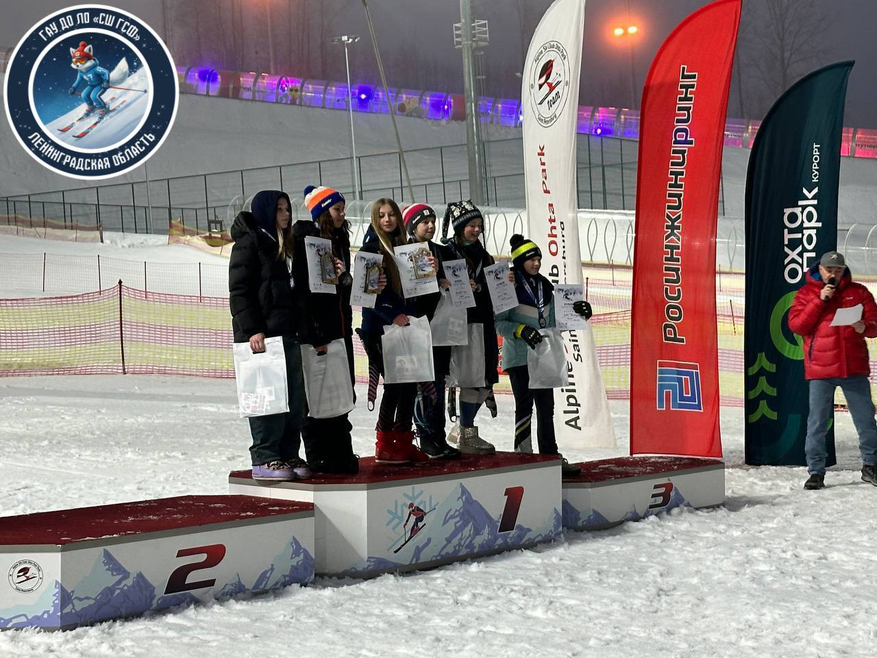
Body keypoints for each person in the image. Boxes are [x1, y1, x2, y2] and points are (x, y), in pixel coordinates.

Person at [228, 190, 310, 482]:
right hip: (262, 338)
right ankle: (265, 456)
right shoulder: (249, 243)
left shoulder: (285, 244)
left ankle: (288, 452)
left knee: (294, 400)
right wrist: (252, 329)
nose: (286, 215)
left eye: (287, 209)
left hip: (287, 333)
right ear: (266, 212)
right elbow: (240, 291)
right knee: (267, 398)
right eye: (279, 210)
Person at [495, 234, 592, 476]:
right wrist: (521, 330)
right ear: (520, 262)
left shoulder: (545, 286)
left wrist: (580, 314)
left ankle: (550, 457)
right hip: (519, 358)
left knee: (546, 408)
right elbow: (498, 323)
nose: (537, 263)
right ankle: (523, 457)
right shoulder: (508, 285)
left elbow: (553, 322)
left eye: (539, 259)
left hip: (543, 356)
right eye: (531, 260)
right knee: (524, 407)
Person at [788, 250, 877, 490]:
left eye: (838, 270)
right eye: (829, 270)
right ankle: (816, 471)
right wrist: (820, 300)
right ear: (820, 269)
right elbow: (797, 326)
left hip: (853, 368)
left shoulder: (859, 292)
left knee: (866, 420)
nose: (834, 274)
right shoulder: (806, 293)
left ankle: (871, 465)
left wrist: (865, 326)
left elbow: (875, 324)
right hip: (821, 370)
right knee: (817, 423)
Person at [292, 185, 363, 474]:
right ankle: (318, 455)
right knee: (317, 394)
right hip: (317, 334)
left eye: (343, 209)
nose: (342, 214)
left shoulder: (339, 238)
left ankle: (341, 451)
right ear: (322, 211)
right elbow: (302, 293)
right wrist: (314, 332)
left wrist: (345, 277)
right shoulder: (305, 241)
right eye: (337, 209)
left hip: (340, 329)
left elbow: (339, 288)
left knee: (341, 392)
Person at [358, 198, 429, 465]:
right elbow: (366, 295)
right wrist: (390, 314)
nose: (387, 220)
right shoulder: (370, 249)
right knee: (395, 385)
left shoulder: (406, 247)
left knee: (409, 384)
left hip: (405, 326)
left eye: (391, 215)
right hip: (380, 329)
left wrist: (431, 273)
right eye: (381, 215)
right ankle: (384, 442)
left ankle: (403, 439)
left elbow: (417, 288)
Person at [439, 200, 500, 455]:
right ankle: (466, 431)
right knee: (469, 379)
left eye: (479, 225)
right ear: (459, 227)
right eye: (471, 225)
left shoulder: (484, 256)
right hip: (459, 323)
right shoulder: (445, 253)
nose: (476, 230)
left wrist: (502, 281)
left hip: (483, 321)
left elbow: (495, 289)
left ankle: (463, 428)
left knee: (485, 378)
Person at [404, 202, 461, 460]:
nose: (430, 226)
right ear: (412, 227)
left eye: (433, 222)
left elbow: (456, 280)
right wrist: (434, 280)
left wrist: (462, 283)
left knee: (438, 383)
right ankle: (425, 435)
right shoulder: (406, 252)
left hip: (441, 329)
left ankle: (438, 435)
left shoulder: (441, 251)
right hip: (418, 326)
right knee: (423, 384)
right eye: (424, 222)